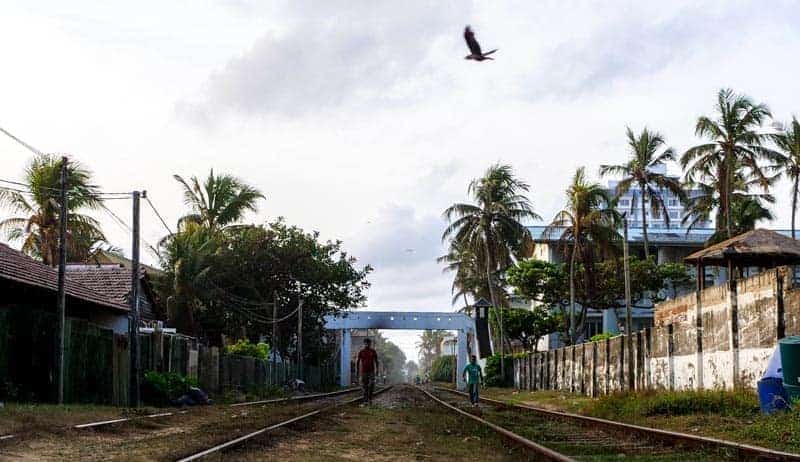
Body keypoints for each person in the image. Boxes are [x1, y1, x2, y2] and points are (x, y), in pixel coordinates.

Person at [356, 338, 379, 404]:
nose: (367, 344)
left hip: (371, 371)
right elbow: (357, 361)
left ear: (370, 344)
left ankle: (370, 398)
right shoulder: (361, 352)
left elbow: (376, 361)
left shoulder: (373, 351)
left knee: (372, 384)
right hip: (364, 371)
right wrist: (357, 371)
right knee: (365, 386)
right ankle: (365, 400)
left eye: (368, 343)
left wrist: (377, 370)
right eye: (366, 343)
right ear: (364, 344)